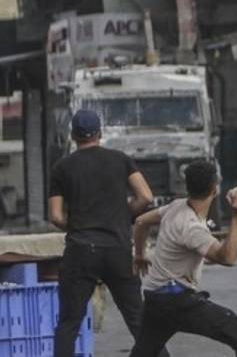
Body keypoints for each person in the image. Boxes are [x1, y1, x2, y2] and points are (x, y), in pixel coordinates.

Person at [49, 109, 165, 357]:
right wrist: (122, 215)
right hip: (117, 249)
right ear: (100, 133)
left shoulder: (62, 167)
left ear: (73, 136)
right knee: (138, 319)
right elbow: (145, 196)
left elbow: (56, 216)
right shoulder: (120, 159)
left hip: (81, 250)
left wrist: (80, 224)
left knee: (69, 322)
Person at [129, 161, 237, 357]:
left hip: (155, 298)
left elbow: (140, 221)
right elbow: (228, 257)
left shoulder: (175, 206)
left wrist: (139, 255)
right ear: (215, 189)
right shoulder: (191, 227)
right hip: (177, 300)